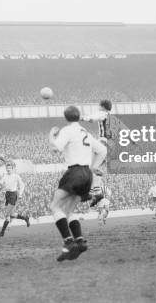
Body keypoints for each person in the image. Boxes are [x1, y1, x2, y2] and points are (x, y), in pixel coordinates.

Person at [49, 105, 107, 261]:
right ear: (78, 116)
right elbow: (102, 150)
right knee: (69, 211)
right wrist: (94, 167)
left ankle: (68, 241)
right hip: (87, 174)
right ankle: (79, 241)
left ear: (66, 118)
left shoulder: (67, 131)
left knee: (54, 206)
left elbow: (56, 149)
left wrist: (51, 137)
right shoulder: (85, 132)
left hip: (74, 172)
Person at [0, 161, 30, 238]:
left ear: (12, 169)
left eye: (9, 168)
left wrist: (20, 194)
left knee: (7, 214)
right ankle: (25, 218)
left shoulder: (16, 176)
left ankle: (2, 232)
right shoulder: (5, 176)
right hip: (7, 195)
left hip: (13, 195)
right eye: (7, 168)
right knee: (12, 214)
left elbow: (22, 185)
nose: (8, 170)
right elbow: (0, 184)